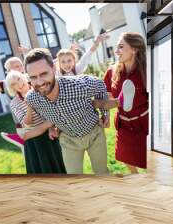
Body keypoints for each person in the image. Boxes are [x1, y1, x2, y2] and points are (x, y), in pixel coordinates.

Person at [24, 48, 110, 175]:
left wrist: (105, 113)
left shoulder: (79, 85)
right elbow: (41, 111)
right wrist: (50, 127)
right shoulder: (32, 98)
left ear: (53, 69)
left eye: (43, 74)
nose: (40, 82)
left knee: (102, 173)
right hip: (68, 140)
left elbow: (100, 85)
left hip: (94, 133)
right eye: (33, 77)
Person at [93, 32, 148, 174]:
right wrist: (105, 115)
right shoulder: (112, 72)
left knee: (148, 158)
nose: (117, 51)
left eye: (121, 47)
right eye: (117, 47)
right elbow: (108, 97)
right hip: (124, 122)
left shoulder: (147, 70)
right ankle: (136, 178)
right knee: (125, 157)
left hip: (143, 121)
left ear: (134, 49)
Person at [5, 71, 66, 174]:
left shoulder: (39, 89)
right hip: (35, 141)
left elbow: (52, 109)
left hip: (50, 134)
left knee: (59, 166)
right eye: (14, 84)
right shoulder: (14, 103)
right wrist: (29, 105)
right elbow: (26, 124)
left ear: (24, 78)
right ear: (12, 88)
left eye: (19, 79)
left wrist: (51, 127)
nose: (19, 84)